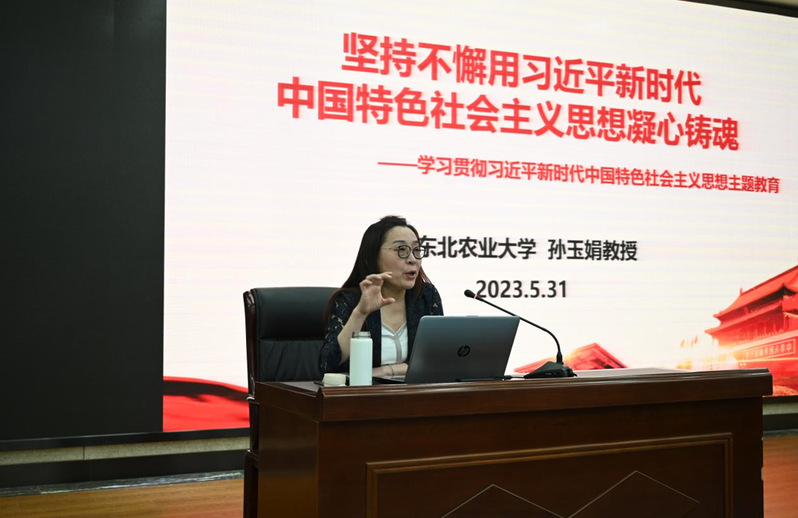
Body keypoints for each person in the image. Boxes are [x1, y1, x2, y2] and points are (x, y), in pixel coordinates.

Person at [318, 215, 443, 377]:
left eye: (416, 250)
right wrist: (360, 313)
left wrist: (385, 371)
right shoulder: (349, 300)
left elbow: (438, 360)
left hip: (413, 391)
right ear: (373, 256)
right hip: (364, 392)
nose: (412, 259)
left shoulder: (426, 296)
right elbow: (327, 366)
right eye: (401, 250)